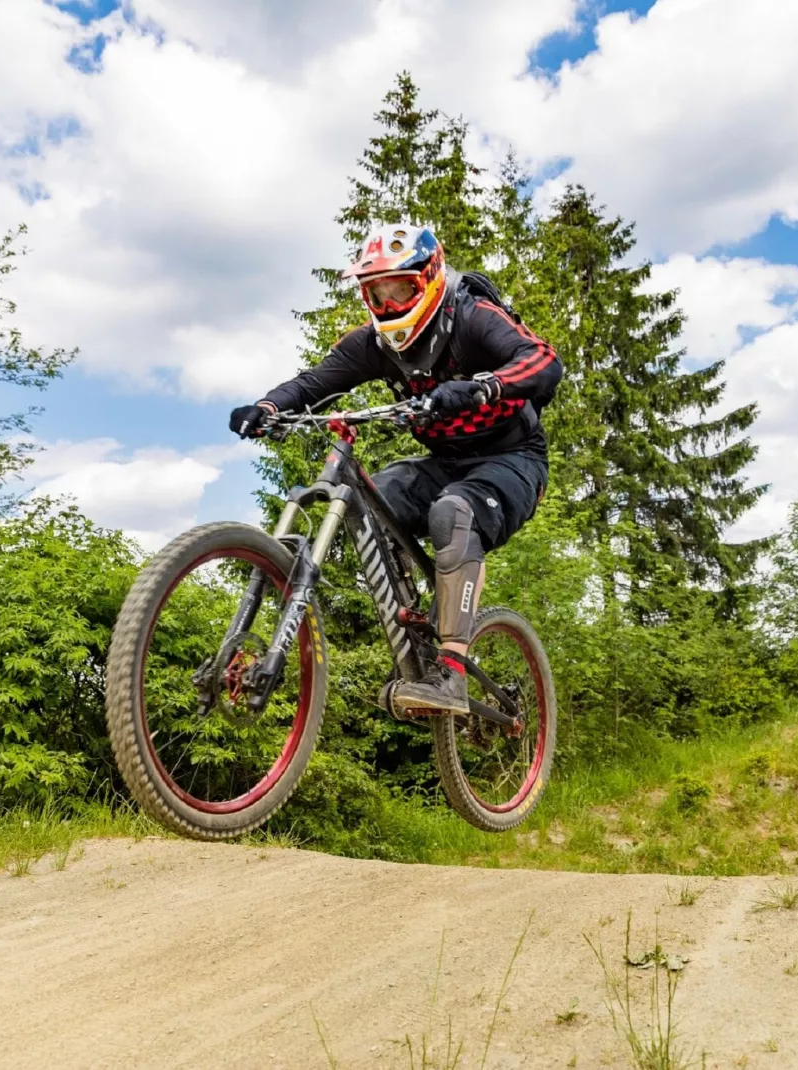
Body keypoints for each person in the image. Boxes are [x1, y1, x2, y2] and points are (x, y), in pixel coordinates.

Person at [228, 223, 562, 714]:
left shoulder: (471, 319)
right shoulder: (374, 345)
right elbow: (316, 381)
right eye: (376, 295)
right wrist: (269, 406)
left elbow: (543, 360)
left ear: (427, 280)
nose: (389, 306)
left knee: (452, 513)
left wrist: (485, 385)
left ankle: (451, 674)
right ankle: (418, 625)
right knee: (372, 504)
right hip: (444, 462)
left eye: (399, 290)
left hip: (512, 459)